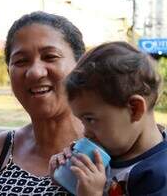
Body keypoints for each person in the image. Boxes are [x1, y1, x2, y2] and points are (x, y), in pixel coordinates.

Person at [0, 11, 85, 195]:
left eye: (50, 57)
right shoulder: (2, 149)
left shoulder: (110, 149)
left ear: (80, 66)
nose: (35, 72)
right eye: (21, 61)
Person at [50, 41, 167, 196]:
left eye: (90, 119)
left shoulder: (158, 177)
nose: (86, 133)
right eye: (82, 121)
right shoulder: (112, 147)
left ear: (134, 109)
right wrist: (67, 176)